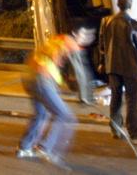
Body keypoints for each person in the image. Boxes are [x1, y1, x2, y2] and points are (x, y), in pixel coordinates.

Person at [16, 27, 95, 167]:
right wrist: (86, 97)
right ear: (78, 36)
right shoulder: (72, 44)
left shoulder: (57, 39)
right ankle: (44, 148)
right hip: (41, 79)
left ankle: (24, 148)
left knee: (41, 114)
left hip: (29, 77)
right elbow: (80, 72)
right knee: (65, 116)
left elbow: (52, 60)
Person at [99, 0, 137, 145]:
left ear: (118, 4)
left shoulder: (106, 22)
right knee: (132, 101)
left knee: (115, 98)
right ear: (130, 6)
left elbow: (102, 46)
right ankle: (134, 133)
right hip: (130, 67)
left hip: (113, 67)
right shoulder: (135, 25)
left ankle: (116, 129)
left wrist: (103, 63)